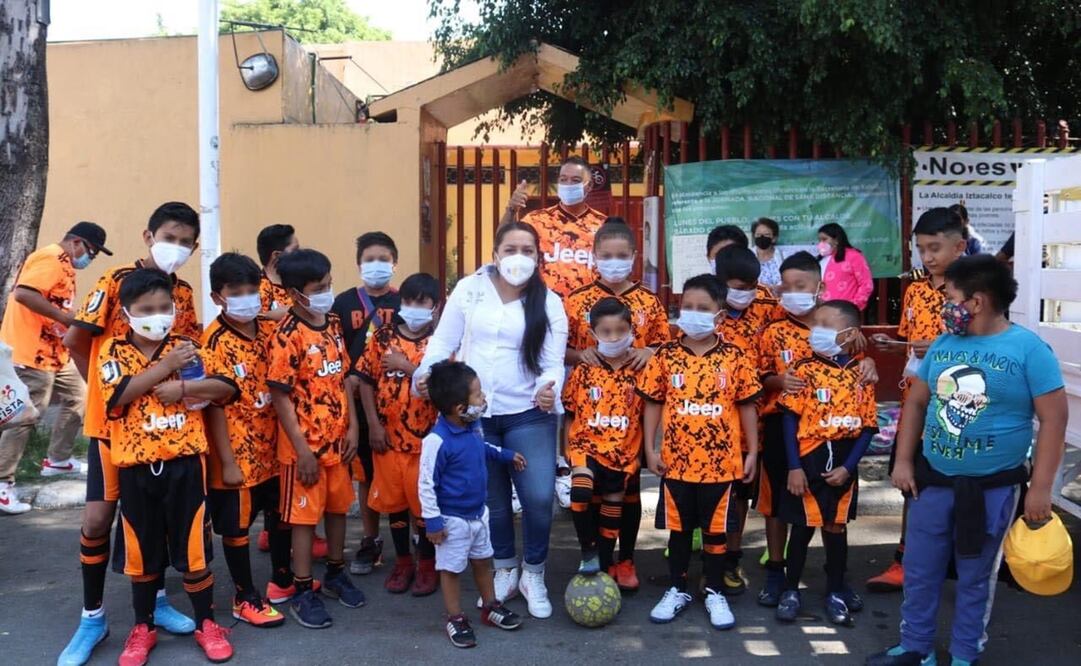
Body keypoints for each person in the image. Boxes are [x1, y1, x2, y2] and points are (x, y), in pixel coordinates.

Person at [867, 254, 1067, 666]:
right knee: (921, 570)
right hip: (933, 482)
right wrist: (902, 461)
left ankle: (963, 654)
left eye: (950, 297)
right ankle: (915, 647)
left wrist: (1041, 490)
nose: (944, 306)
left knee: (976, 577)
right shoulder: (944, 344)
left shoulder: (1030, 350)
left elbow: (1053, 421)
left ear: (976, 302)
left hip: (993, 488)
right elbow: (918, 404)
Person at [59, 202, 201, 666]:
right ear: (148, 235)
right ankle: (92, 618)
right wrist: (103, 393)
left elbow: (189, 353)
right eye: (169, 237)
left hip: (164, 433)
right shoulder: (113, 283)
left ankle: (156, 603)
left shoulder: (183, 295)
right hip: (110, 427)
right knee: (99, 520)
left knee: (154, 518)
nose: (175, 248)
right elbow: (76, 341)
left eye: (185, 242)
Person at [414, 221, 568, 619]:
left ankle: (533, 572)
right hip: (476, 418)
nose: (519, 256)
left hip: (528, 414)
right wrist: (426, 372)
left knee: (536, 498)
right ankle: (504, 567)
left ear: (538, 257)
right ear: (495, 253)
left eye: (528, 250)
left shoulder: (548, 302)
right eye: (511, 248)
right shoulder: (470, 289)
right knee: (493, 504)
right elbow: (444, 342)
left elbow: (552, 363)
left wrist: (549, 387)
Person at [98, 269, 235, 664]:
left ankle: (206, 623)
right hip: (137, 470)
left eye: (164, 307)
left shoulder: (188, 346)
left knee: (194, 552)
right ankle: (143, 628)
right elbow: (118, 395)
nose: (158, 315)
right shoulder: (113, 351)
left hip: (185, 466)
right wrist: (164, 368)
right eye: (147, 309)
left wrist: (186, 386)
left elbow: (226, 389)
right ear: (127, 312)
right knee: (143, 555)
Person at [639, 274, 760, 630]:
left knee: (715, 532)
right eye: (687, 307)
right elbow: (652, 403)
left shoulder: (736, 358)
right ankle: (677, 588)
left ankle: (715, 590)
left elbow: (748, 406)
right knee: (679, 531)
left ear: (720, 316)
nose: (692, 315)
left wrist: (752, 451)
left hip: (721, 466)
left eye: (702, 309)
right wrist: (650, 448)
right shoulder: (665, 356)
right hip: (676, 464)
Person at [563, 218, 670, 591]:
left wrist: (646, 350)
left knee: (627, 493)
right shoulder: (576, 301)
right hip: (591, 410)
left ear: (634, 257)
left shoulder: (648, 303)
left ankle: (625, 559)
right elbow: (562, 350)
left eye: (621, 256)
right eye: (606, 256)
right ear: (594, 257)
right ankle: (594, 554)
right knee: (588, 489)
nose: (614, 262)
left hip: (631, 416)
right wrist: (582, 355)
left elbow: (665, 348)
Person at [866, 207, 967, 593]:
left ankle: (958, 566)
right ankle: (904, 562)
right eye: (921, 249)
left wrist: (933, 347)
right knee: (912, 485)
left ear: (959, 246)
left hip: (960, 409)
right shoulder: (915, 291)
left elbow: (986, 344)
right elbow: (913, 349)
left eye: (935, 248)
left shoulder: (974, 294)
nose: (927, 258)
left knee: (959, 490)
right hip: (916, 408)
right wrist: (897, 346)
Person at [267, 249, 365, 629]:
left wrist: (353, 426)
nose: (327, 292)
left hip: (339, 443)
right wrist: (303, 450)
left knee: (339, 509)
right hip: (303, 451)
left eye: (328, 283)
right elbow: (281, 396)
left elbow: (343, 381)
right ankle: (303, 589)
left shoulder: (335, 323)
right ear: (295, 294)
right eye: (318, 288)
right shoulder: (286, 335)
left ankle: (336, 573)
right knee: (305, 521)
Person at [194, 253, 289, 626]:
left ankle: (282, 580)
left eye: (253, 290)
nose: (248, 298)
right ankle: (244, 596)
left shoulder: (268, 331)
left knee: (279, 518)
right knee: (236, 529)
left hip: (274, 448)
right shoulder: (213, 341)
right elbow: (215, 405)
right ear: (219, 297)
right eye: (237, 291)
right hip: (235, 455)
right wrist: (228, 462)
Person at [776, 299, 877, 626]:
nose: (816, 332)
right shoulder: (803, 370)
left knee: (836, 527)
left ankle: (836, 588)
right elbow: (789, 420)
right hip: (808, 459)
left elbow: (867, 427)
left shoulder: (863, 374)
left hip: (845, 460)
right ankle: (791, 589)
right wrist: (793, 466)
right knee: (802, 527)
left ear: (849, 334)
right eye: (814, 325)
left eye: (826, 327)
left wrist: (849, 468)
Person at [0, 222, 109, 513]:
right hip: (30, 353)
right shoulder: (50, 258)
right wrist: (67, 318)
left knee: (81, 395)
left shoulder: (64, 265)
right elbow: (23, 294)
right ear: (76, 242)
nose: (91, 258)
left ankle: (57, 460)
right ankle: (2, 484)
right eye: (92, 251)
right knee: (24, 416)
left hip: (54, 353)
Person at [419, 361, 526, 648]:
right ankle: (455, 617)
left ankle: (490, 606)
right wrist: (433, 521)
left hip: (479, 513)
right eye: (478, 395)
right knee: (452, 569)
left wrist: (504, 454)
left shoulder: (472, 426)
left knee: (482, 560)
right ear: (458, 407)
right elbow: (426, 483)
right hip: (452, 519)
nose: (483, 399)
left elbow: (480, 448)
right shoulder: (436, 441)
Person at [354, 273, 441, 596]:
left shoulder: (442, 343)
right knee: (395, 505)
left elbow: (445, 390)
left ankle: (427, 563)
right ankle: (403, 561)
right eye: (409, 302)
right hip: (388, 439)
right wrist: (374, 425)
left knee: (424, 507)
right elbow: (364, 380)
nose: (414, 308)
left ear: (435, 307)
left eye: (422, 303)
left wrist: (406, 367)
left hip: (426, 443)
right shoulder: (383, 337)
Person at [711, 245, 781, 594]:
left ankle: (759, 559)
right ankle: (724, 559)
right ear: (720, 283)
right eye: (738, 285)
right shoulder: (706, 309)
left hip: (765, 415)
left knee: (759, 492)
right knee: (726, 493)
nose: (746, 292)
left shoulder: (770, 306)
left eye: (751, 284)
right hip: (718, 422)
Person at [334, 231, 402, 576]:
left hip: (400, 402)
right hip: (358, 400)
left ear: (395, 262)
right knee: (367, 473)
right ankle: (371, 540)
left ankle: (411, 542)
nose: (376, 265)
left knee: (406, 470)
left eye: (383, 259)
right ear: (359, 265)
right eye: (369, 259)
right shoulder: (344, 303)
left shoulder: (407, 303)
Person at [562, 297, 645, 576]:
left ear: (631, 330)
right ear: (593, 333)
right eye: (606, 332)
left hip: (623, 451)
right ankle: (588, 550)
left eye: (620, 331)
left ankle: (606, 562)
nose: (613, 337)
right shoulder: (584, 369)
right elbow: (570, 412)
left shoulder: (640, 369)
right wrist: (566, 447)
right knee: (581, 491)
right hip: (585, 445)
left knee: (614, 501)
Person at [503, 156, 607, 298]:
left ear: (588, 186)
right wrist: (511, 209)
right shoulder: (536, 220)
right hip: (543, 309)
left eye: (575, 180)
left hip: (588, 312)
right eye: (563, 179)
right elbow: (503, 241)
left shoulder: (604, 225)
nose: (568, 184)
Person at [817, 223, 874, 311]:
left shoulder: (854, 256)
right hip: (822, 312)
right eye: (819, 240)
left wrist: (853, 306)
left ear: (837, 240)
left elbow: (866, 284)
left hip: (844, 313)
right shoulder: (821, 260)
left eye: (824, 239)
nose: (821, 243)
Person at [256, 224, 299, 321]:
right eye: (295, 250)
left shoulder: (299, 282)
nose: (300, 254)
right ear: (276, 255)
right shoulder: (257, 289)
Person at [752, 218, 785, 289]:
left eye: (766, 235)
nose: (762, 237)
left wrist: (773, 288)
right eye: (758, 234)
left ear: (774, 238)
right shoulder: (746, 256)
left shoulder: (784, 256)